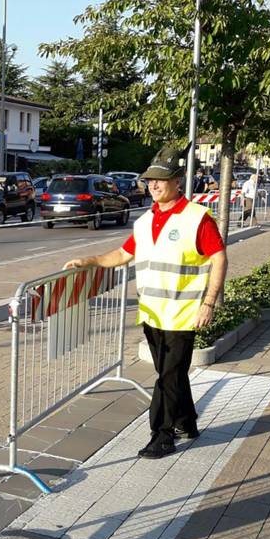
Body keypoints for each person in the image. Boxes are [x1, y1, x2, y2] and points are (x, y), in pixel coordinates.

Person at [63, 145, 228, 459]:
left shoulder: (197, 218)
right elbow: (124, 254)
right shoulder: (144, 221)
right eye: (150, 179)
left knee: (167, 376)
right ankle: (187, 423)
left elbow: (219, 258)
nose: (153, 185)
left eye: (161, 180)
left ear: (178, 182)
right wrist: (92, 260)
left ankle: (162, 435)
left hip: (183, 314)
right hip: (153, 312)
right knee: (172, 373)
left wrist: (209, 302)